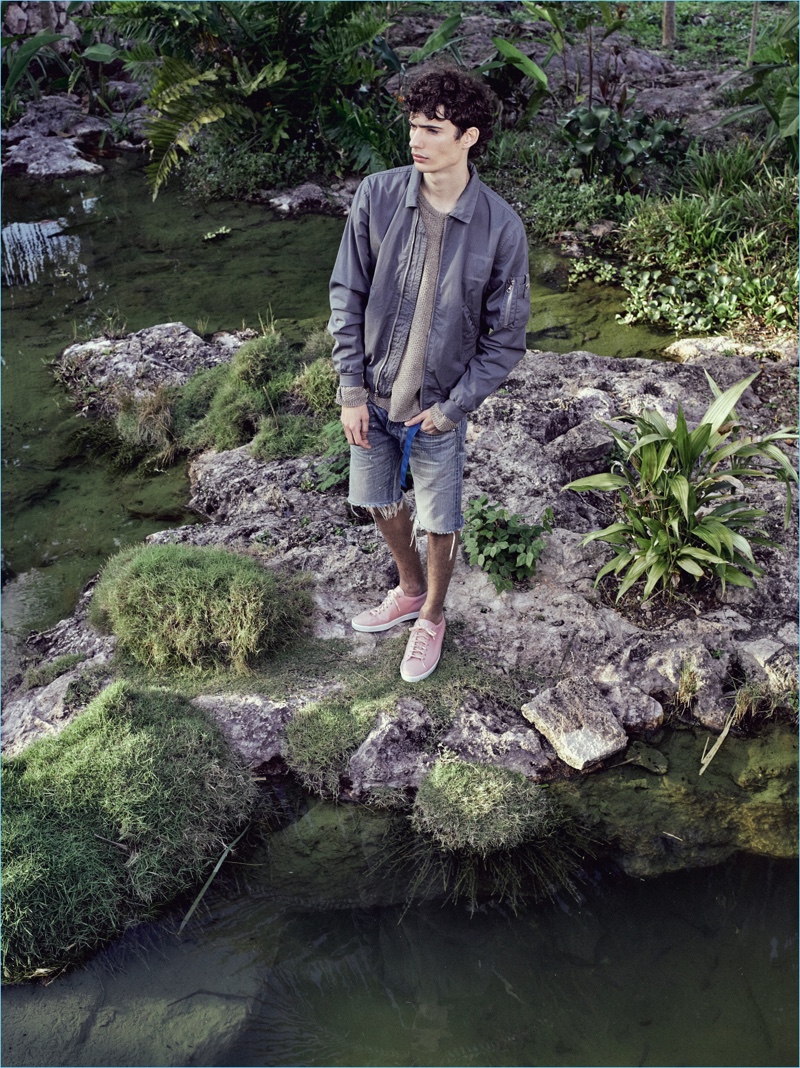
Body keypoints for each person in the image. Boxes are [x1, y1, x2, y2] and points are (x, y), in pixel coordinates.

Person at [328, 66, 530, 683]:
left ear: (468, 137)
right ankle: (409, 587)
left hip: (438, 407)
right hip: (374, 393)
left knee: (439, 517)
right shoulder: (378, 195)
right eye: (414, 125)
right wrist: (351, 389)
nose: (417, 139)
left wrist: (452, 408)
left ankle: (433, 617)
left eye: (433, 128)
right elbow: (347, 292)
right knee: (374, 499)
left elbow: (507, 340)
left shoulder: (501, 227)